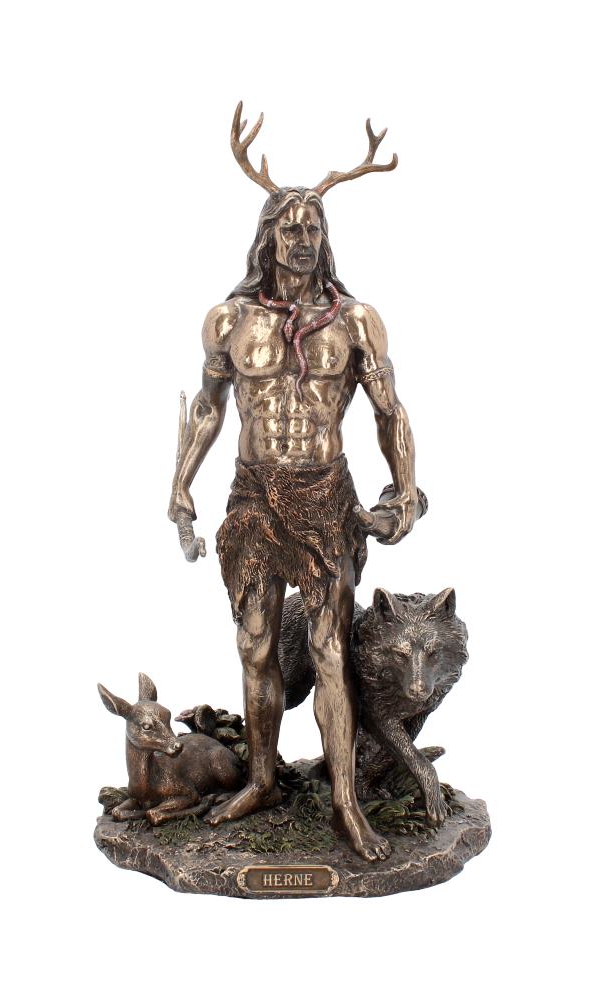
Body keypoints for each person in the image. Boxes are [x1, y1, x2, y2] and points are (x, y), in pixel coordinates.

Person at [167, 109, 419, 861]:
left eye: (314, 227)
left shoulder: (356, 320)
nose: (303, 238)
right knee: (255, 647)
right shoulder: (229, 320)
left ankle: (344, 801)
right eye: (290, 227)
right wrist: (180, 481)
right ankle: (261, 780)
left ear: (325, 238)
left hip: (323, 496)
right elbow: (209, 408)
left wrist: (405, 488)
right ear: (268, 237)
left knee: (330, 648)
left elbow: (389, 411)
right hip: (252, 497)